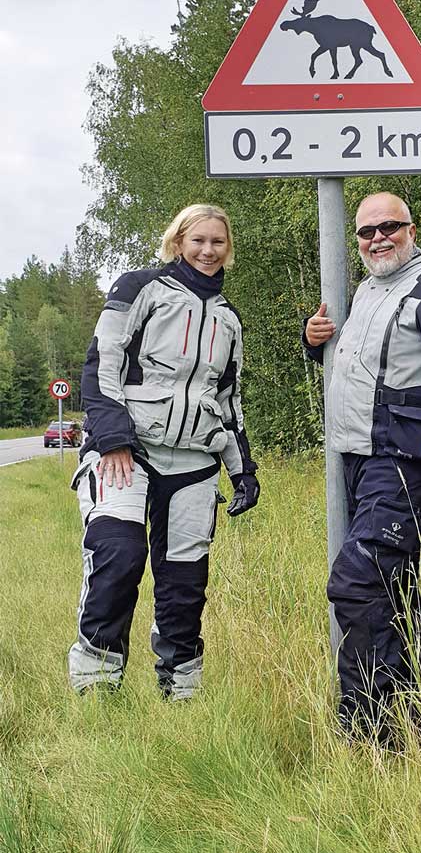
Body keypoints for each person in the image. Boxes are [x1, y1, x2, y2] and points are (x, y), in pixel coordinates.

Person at [304, 192, 421, 742]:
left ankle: (371, 730)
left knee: (357, 581)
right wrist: (317, 343)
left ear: (412, 229)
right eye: (367, 231)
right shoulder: (365, 291)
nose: (378, 238)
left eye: (389, 227)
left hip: (407, 456)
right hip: (360, 457)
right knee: (393, 586)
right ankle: (419, 716)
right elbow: (362, 363)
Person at [68, 203, 260, 699]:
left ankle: (181, 691)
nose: (207, 250)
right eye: (198, 240)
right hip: (127, 451)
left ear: (228, 249)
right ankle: (95, 686)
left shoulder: (229, 318)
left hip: (195, 461)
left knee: (184, 581)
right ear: (178, 242)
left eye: (217, 242)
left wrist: (242, 471)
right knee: (119, 554)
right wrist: (112, 439)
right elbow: (101, 364)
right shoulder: (139, 288)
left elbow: (229, 400)